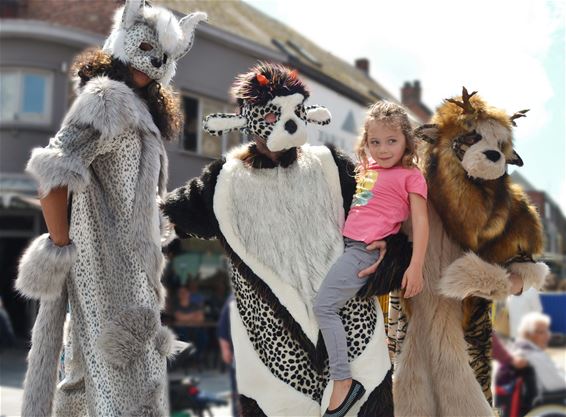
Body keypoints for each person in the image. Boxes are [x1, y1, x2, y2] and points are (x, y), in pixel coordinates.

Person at [14, 2, 206, 415]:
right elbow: (53, 172)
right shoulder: (107, 98)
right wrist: (61, 246)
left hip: (131, 278)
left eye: (163, 56)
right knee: (122, 388)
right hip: (105, 275)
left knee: (88, 383)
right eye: (146, 47)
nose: (153, 62)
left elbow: (132, 199)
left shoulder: (139, 114)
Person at [313, 101, 429, 416]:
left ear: (407, 140)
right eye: (375, 142)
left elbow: (420, 222)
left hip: (362, 251)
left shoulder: (410, 175)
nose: (383, 148)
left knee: (323, 307)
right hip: (344, 244)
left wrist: (415, 265)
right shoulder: (367, 170)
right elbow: (361, 210)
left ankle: (343, 381)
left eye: (392, 140)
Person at [218, 294, 240, 417]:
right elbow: (223, 327)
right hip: (238, 357)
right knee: (239, 395)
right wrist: (225, 349)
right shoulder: (233, 300)